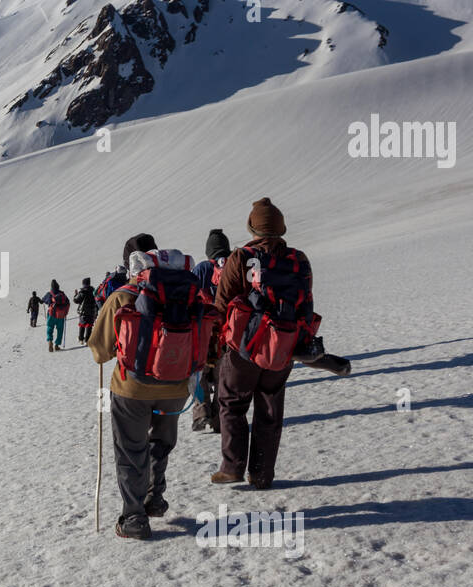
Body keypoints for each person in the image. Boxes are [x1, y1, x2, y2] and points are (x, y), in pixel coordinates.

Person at [89, 233, 192, 540]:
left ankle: (134, 516)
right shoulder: (184, 290)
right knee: (160, 442)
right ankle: (154, 497)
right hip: (176, 386)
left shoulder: (123, 295)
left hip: (131, 389)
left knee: (131, 449)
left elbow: (99, 350)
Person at [211, 199, 314, 489]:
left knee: (232, 404)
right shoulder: (299, 258)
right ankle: (262, 474)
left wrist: (217, 341)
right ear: (280, 228)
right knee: (270, 409)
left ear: (251, 227)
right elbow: (306, 300)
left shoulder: (241, 257)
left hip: (243, 346)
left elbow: (222, 302)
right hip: (282, 345)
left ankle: (232, 467)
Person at [190, 229, 230, 433]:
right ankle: (219, 420)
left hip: (203, 334)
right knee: (224, 378)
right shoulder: (234, 266)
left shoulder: (202, 269)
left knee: (198, 375)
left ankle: (201, 411)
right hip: (228, 336)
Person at [42, 280, 70, 352]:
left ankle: (50, 341)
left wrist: (48, 301)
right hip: (61, 315)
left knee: (50, 327)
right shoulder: (62, 294)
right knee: (60, 330)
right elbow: (68, 302)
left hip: (51, 314)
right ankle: (57, 345)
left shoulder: (49, 294)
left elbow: (43, 300)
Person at [73, 278, 97, 344]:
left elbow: (75, 300)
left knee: (82, 325)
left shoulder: (82, 292)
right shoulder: (93, 291)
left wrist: (76, 294)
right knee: (89, 326)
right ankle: (87, 340)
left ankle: (81, 339)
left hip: (83, 312)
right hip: (91, 311)